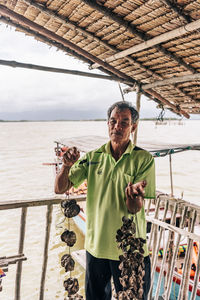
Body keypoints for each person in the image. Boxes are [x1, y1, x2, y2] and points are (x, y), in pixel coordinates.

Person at [55, 101, 155, 300]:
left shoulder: (143, 159)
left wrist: (134, 196)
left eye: (124, 122)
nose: (117, 126)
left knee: (135, 296)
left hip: (130, 250)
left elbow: (134, 209)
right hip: (96, 247)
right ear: (108, 124)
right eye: (113, 121)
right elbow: (60, 188)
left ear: (133, 127)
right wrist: (66, 167)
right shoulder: (93, 157)